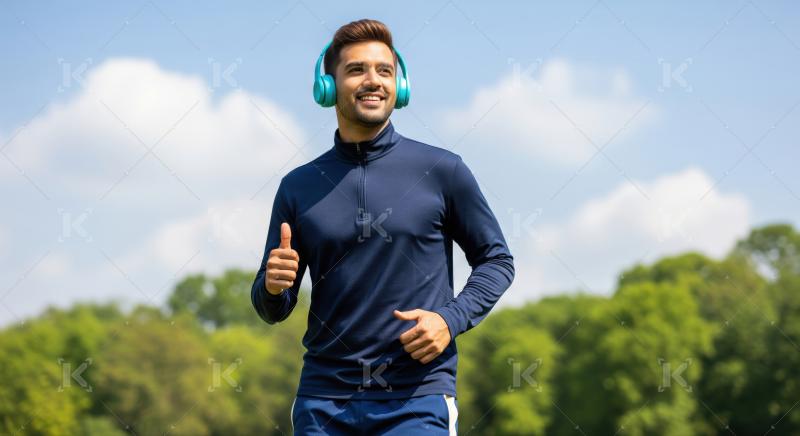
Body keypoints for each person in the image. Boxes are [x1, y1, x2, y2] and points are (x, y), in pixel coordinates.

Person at [251, 18, 514, 435]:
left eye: (384, 71)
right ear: (327, 86)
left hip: (417, 399)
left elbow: (497, 261)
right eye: (356, 70)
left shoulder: (443, 171)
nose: (373, 81)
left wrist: (450, 319)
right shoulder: (297, 187)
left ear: (400, 85)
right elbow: (272, 308)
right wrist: (272, 286)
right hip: (322, 404)